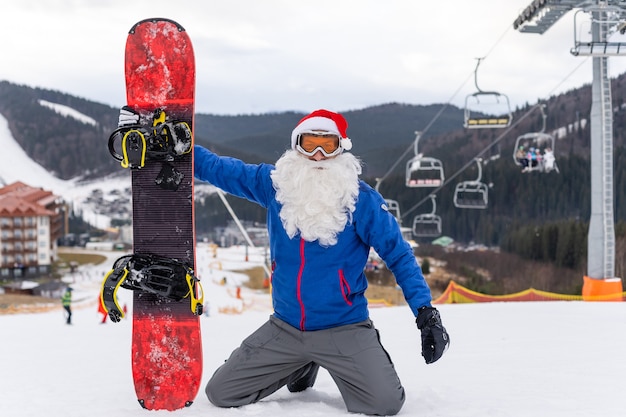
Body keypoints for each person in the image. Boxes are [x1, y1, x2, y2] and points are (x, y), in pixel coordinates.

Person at [121, 108, 450, 415]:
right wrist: (180, 147)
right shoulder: (274, 185)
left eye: (327, 145)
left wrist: (425, 313)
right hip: (285, 328)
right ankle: (300, 362)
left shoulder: (360, 201)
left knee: (386, 403)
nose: (318, 155)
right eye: (310, 144)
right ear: (297, 146)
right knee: (222, 393)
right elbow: (219, 169)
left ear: (341, 149)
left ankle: (320, 360)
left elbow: (398, 254)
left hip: (344, 328)